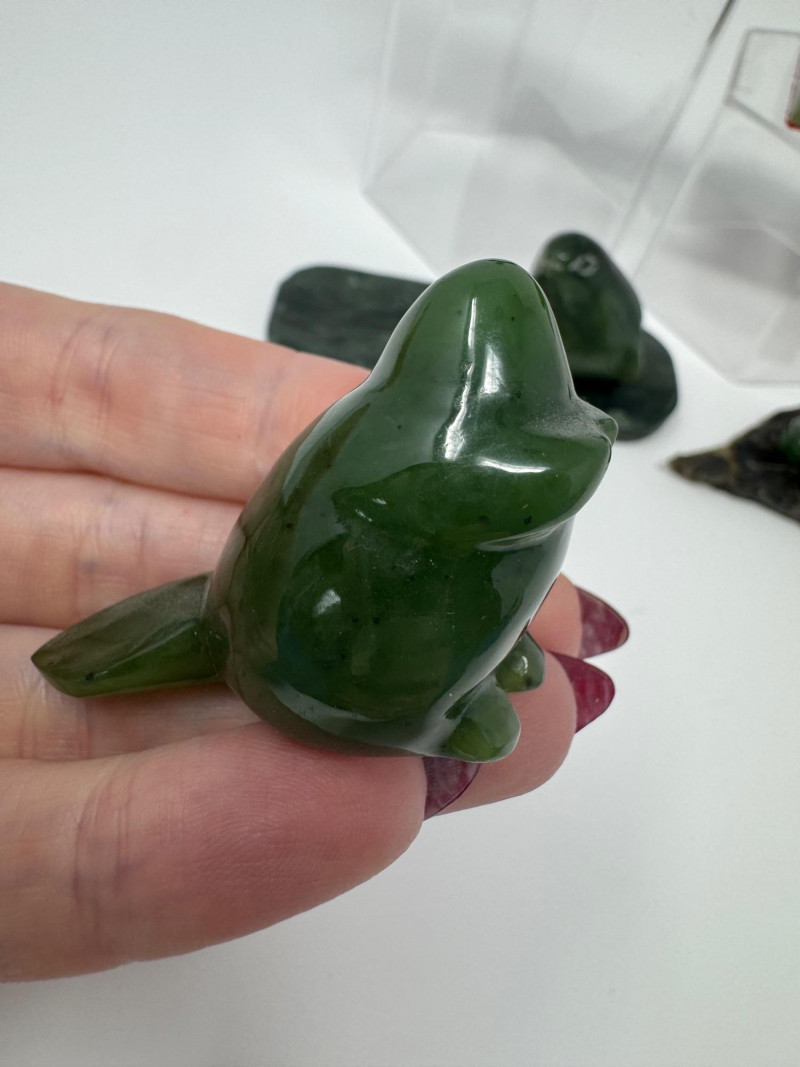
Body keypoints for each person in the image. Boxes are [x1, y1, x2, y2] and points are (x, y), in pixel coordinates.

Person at [0, 282, 625, 981]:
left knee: (472, 604)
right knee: (447, 681)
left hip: (431, 608)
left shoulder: (404, 428)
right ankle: (423, 709)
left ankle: (470, 666)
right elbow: (487, 492)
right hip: (324, 664)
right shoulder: (431, 461)